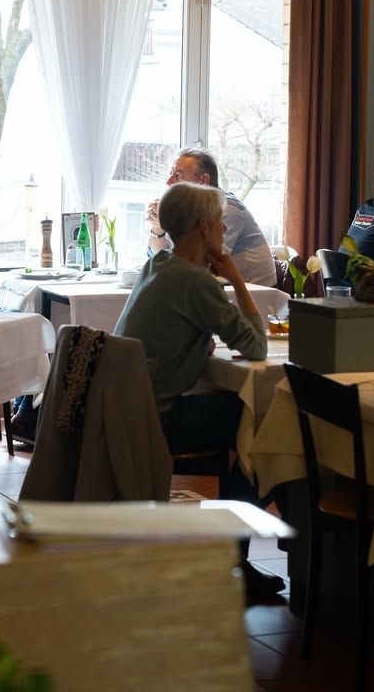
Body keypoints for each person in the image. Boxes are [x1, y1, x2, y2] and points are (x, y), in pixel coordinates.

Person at [115, 181, 283, 598]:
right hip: (157, 420)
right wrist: (236, 278)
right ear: (204, 227)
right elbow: (256, 346)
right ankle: (233, 562)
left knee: (241, 414)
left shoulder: (157, 265)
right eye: (221, 222)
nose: (225, 229)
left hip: (125, 410)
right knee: (262, 426)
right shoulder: (197, 282)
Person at [146, 147, 277, 288]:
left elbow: (204, 266)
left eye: (179, 175)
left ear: (203, 180)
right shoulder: (190, 211)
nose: (169, 182)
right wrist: (158, 228)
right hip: (223, 289)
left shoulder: (226, 208)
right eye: (171, 174)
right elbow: (158, 260)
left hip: (258, 295)